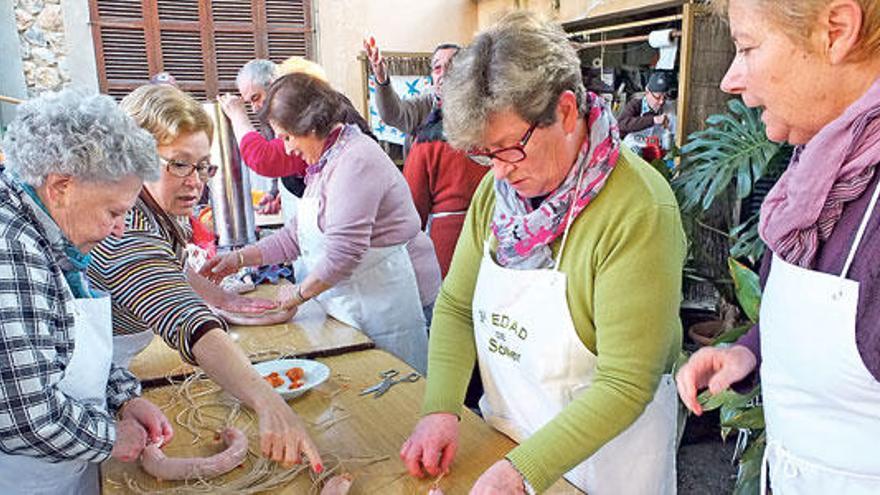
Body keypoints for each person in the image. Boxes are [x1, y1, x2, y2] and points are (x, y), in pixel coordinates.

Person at [400, 12, 685, 494]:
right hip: (509, 442)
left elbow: (624, 383)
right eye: (485, 154)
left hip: (607, 468)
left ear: (567, 112)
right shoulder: (498, 198)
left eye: (509, 148)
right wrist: (441, 408)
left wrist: (524, 470)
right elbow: (454, 307)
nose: (499, 171)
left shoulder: (637, 209)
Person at [676, 1, 880, 493]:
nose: (729, 79)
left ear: (836, 30)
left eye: (746, 47)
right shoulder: (819, 166)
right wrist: (749, 351)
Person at [87, 84, 323, 472]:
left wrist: (224, 299)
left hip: (113, 374)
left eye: (202, 166)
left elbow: (171, 268)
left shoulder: (152, 210)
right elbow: (184, 316)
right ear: (135, 159)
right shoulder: (123, 227)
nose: (195, 180)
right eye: (178, 164)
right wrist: (268, 402)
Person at [201, 73, 442, 375]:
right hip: (360, 303)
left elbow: (344, 253)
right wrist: (239, 258)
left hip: (393, 304)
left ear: (311, 126)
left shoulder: (356, 159)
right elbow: (297, 235)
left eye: (287, 137)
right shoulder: (324, 161)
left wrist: (299, 293)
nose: (286, 148)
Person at [0, 90, 172, 494]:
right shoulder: (10, 249)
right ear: (62, 186)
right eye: (113, 212)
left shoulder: (44, 228)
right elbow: (29, 418)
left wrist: (124, 398)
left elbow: (68, 345)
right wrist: (113, 437)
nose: (120, 229)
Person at [220, 58, 367, 223]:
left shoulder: (306, 108)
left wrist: (238, 116)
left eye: (256, 97)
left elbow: (264, 158)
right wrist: (275, 192)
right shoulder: (280, 113)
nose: (255, 109)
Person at [364, 39, 459, 152]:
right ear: (432, 78)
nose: (443, 73)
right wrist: (381, 77)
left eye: (451, 67)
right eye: (437, 68)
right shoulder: (425, 104)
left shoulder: (479, 108)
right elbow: (393, 114)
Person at [618, 71, 676, 157]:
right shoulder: (635, 105)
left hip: (657, 153)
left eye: (664, 97)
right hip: (635, 151)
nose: (661, 102)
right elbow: (621, 125)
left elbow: (675, 132)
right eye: (657, 97)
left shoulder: (667, 108)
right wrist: (653, 120)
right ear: (647, 91)